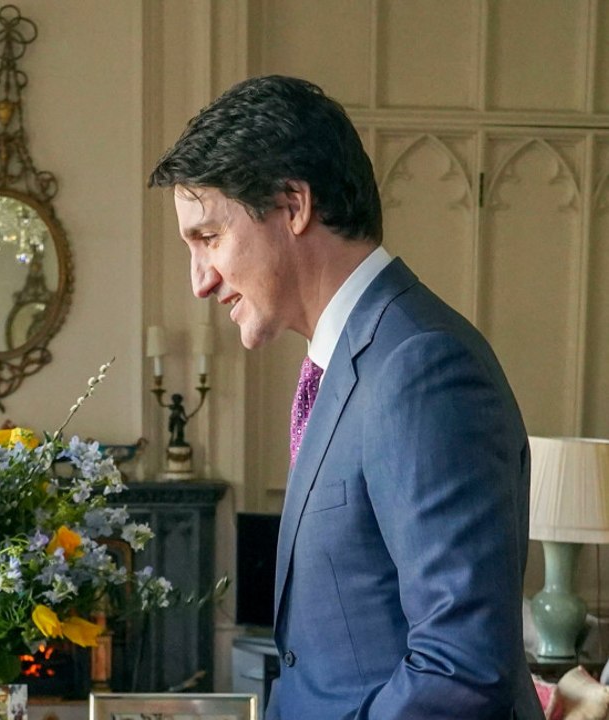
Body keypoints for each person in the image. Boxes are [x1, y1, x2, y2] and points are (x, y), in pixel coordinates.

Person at [150, 76, 542, 719]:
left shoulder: (421, 366)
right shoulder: (353, 362)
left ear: (293, 204)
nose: (200, 281)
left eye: (208, 237)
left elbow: (462, 667)